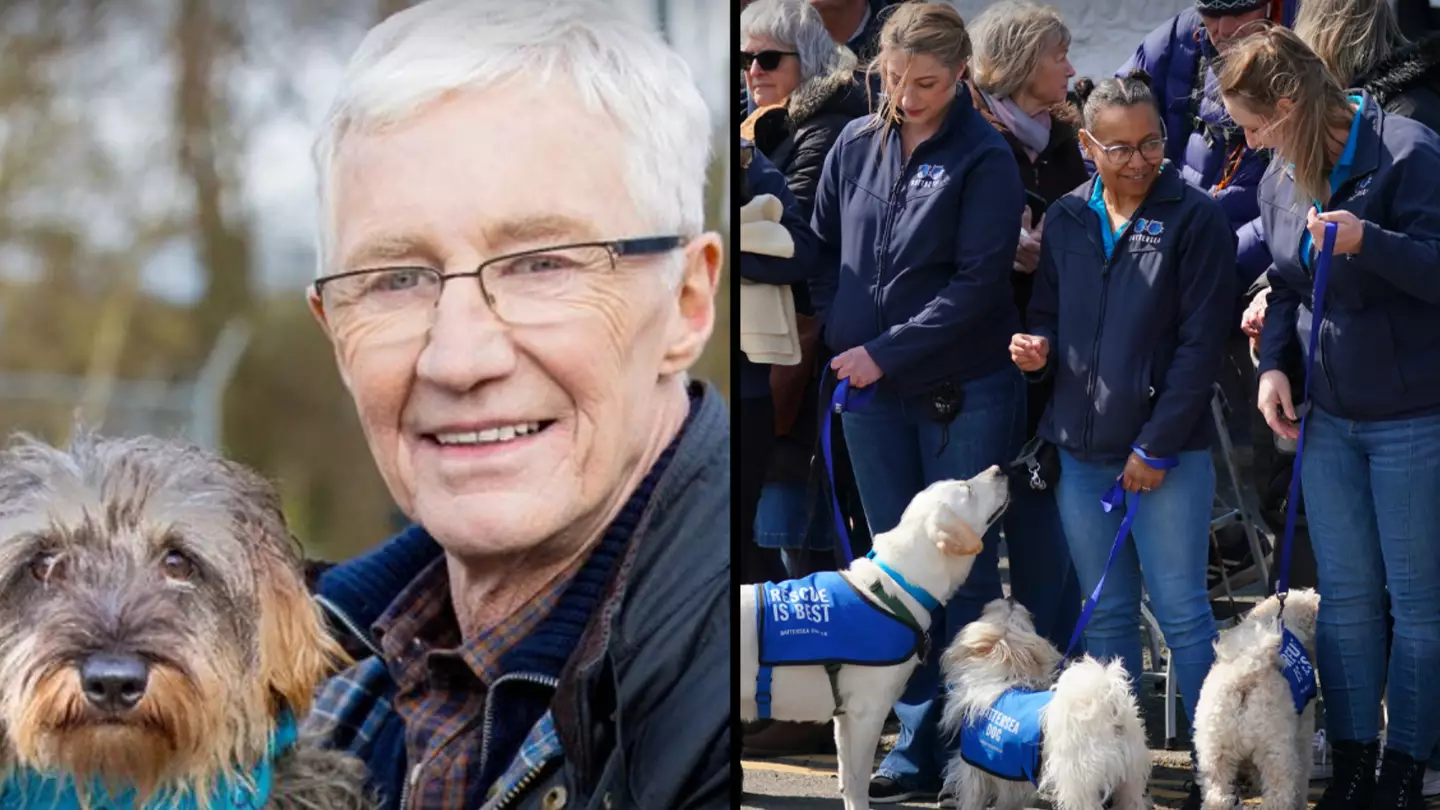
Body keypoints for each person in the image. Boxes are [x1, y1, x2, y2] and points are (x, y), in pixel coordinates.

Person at [299, 2, 729, 808]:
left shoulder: (721, 709)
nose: (459, 358)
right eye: (395, 279)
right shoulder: (297, 689)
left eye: (540, 265)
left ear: (687, 303)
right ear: (334, 332)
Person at [810, 3, 1027, 802]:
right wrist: (840, 326)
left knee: (964, 579)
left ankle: (967, 746)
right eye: (892, 79)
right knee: (890, 572)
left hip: (959, 390)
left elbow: (979, 286)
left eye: (925, 82)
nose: (905, 95)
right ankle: (911, 738)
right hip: (868, 393)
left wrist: (883, 351)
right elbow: (823, 247)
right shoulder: (854, 142)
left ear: (962, 74)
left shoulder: (985, 157)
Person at [1220, 23, 1440, 810]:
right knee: (1345, 601)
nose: (1248, 146)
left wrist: (1368, 241)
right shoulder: (1282, 173)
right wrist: (1274, 364)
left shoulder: (1408, 151)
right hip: (1330, 415)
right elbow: (1282, 283)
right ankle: (1351, 763)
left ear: (1288, 103)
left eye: (1252, 127)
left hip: (1413, 412)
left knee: (1416, 603)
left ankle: (1405, 768)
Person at [1013, 68, 1234, 810]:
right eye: (1120, 148)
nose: (1139, 161)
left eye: (1152, 145)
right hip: (1079, 451)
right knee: (1106, 617)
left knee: (1181, 613)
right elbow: (1047, 310)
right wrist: (1037, 347)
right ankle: (1117, 777)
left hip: (1166, 453)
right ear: (1086, 145)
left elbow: (1202, 351)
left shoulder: (1196, 219)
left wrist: (1156, 448)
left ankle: (1214, 776)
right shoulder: (1070, 217)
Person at [740, 0, 872, 759]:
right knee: (773, 540)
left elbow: (802, 246)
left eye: (768, 61)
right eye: (746, 61)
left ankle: (808, 703)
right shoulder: (767, 129)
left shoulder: (820, 128)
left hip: (808, 360)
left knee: (797, 545)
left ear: (807, 63)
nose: (753, 75)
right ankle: (792, 699)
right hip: (774, 359)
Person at [964, 0, 1085, 654]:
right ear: (1017, 63)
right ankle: (986, 688)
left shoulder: (1069, 141)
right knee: (979, 528)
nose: (1070, 67)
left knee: (1048, 531)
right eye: (1057, 55)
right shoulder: (971, 137)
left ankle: (1052, 676)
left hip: (1056, 362)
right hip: (980, 359)